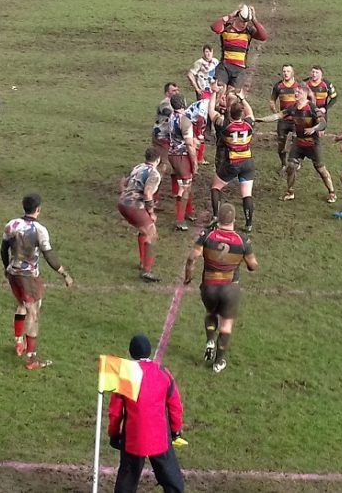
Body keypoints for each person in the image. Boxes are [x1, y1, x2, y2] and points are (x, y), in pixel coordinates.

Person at [1, 192, 73, 370]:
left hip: (13, 272)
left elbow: (3, 249)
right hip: (29, 277)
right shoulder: (40, 230)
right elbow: (49, 256)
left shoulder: (11, 224)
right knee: (33, 313)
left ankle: (19, 342)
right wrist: (64, 273)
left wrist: (5, 267)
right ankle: (31, 360)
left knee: (22, 305)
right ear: (38, 209)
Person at [183, 203, 258, 373]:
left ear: (218, 219)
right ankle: (219, 362)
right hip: (230, 289)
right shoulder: (242, 240)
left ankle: (210, 339)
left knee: (211, 313)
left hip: (209, 286)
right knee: (226, 325)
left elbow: (191, 258)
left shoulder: (207, 235)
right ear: (234, 219)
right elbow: (253, 266)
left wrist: (188, 277)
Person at [108, 334, 185, 493]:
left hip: (134, 440)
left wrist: (114, 434)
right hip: (160, 438)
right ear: (149, 352)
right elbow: (175, 405)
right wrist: (176, 430)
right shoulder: (163, 373)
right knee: (173, 482)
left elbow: (115, 411)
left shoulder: (126, 376)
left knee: (126, 483)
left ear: (130, 353)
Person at [259, 85, 335, 203]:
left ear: (304, 94)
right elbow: (277, 116)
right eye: (295, 92)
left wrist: (314, 129)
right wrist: (260, 119)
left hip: (312, 144)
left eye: (298, 92)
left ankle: (332, 192)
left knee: (320, 169)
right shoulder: (293, 108)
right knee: (291, 166)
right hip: (298, 143)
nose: (295, 94)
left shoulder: (312, 108)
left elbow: (323, 123)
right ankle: (290, 192)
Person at [208, 90, 256, 232]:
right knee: (247, 194)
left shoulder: (225, 125)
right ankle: (248, 224)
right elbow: (250, 112)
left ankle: (216, 216)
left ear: (230, 112)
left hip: (233, 162)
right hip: (248, 162)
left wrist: (214, 93)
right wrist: (242, 98)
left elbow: (211, 111)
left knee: (216, 187)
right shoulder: (249, 124)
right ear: (241, 113)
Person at [117, 148, 164, 282]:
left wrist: (124, 194)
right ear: (158, 160)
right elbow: (148, 193)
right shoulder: (154, 174)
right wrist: (151, 212)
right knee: (152, 234)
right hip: (134, 206)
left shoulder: (138, 167)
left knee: (144, 231)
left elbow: (123, 182)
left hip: (122, 203)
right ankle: (147, 271)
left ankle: (143, 262)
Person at [211, 4, 267, 90]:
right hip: (225, 66)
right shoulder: (227, 27)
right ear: (237, 17)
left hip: (239, 69)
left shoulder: (249, 30)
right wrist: (230, 15)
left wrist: (254, 20)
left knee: (232, 97)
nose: (244, 24)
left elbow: (263, 37)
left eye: (246, 22)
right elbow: (215, 27)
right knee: (219, 90)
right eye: (242, 21)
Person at [167, 94, 199, 232]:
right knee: (185, 187)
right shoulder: (185, 121)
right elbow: (190, 145)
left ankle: (189, 211)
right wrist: (195, 162)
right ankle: (180, 220)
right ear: (183, 103)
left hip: (172, 154)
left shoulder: (171, 117)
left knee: (185, 184)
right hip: (182, 157)